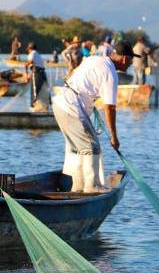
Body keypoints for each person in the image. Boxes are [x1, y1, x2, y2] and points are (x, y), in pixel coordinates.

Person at [51, 41, 139, 193]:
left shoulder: (95, 59)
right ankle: (92, 186)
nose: (130, 64)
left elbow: (77, 76)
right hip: (71, 107)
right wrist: (114, 137)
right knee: (92, 147)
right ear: (124, 59)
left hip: (60, 102)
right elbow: (110, 108)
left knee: (78, 149)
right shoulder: (111, 74)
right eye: (130, 61)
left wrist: (88, 100)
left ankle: (77, 187)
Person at [25, 42, 47, 109]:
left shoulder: (32, 53)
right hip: (42, 73)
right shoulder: (38, 54)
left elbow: (31, 62)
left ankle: (33, 106)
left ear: (29, 49)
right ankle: (45, 106)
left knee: (35, 91)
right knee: (43, 90)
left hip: (37, 73)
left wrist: (25, 66)